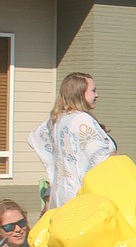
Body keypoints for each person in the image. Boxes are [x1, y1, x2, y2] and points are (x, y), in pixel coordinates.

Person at [28, 72, 116, 209]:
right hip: (81, 195)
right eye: (93, 91)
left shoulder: (57, 120)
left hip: (61, 195)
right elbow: (101, 159)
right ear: (80, 93)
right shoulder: (82, 119)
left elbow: (35, 137)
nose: (97, 95)